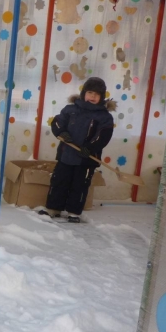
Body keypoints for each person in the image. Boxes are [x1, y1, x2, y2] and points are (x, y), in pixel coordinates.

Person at [39, 77, 115, 223]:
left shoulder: (104, 117)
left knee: (79, 185)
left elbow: (104, 136)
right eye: (90, 92)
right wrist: (61, 132)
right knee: (59, 181)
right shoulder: (70, 109)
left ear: (101, 97)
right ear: (83, 93)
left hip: (86, 159)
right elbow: (57, 122)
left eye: (97, 94)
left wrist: (90, 148)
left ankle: (74, 211)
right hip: (66, 155)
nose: (92, 96)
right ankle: (53, 207)